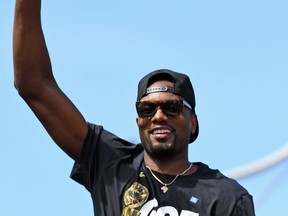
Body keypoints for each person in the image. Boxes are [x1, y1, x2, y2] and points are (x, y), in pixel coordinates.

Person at [13, 0, 255, 215]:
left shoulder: (227, 197)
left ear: (193, 122)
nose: (158, 116)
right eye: (146, 109)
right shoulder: (110, 163)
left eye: (171, 108)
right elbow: (34, 85)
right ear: (138, 121)